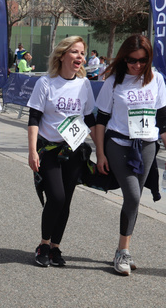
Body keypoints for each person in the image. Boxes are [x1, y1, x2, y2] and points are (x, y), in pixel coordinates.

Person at [95, 34, 166, 276]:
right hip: (119, 143)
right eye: (132, 60)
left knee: (133, 200)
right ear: (124, 58)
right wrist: (100, 153)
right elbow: (101, 120)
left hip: (147, 144)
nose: (137, 65)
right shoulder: (113, 81)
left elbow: (163, 121)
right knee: (133, 196)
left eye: (143, 60)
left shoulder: (156, 79)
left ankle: (123, 250)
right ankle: (122, 251)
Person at [27, 36, 96, 267]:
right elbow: (34, 118)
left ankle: (55, 247)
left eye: (82, 53)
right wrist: (32, 151)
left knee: (66, 201)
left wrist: (102, 152)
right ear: (62, 54)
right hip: (49, 150)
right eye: (75, 52)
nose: (80, 57)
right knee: (56, 197)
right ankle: (44, 244)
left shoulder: (84, 84)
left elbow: (90, 118)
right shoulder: (46, 83)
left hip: (74, 151)